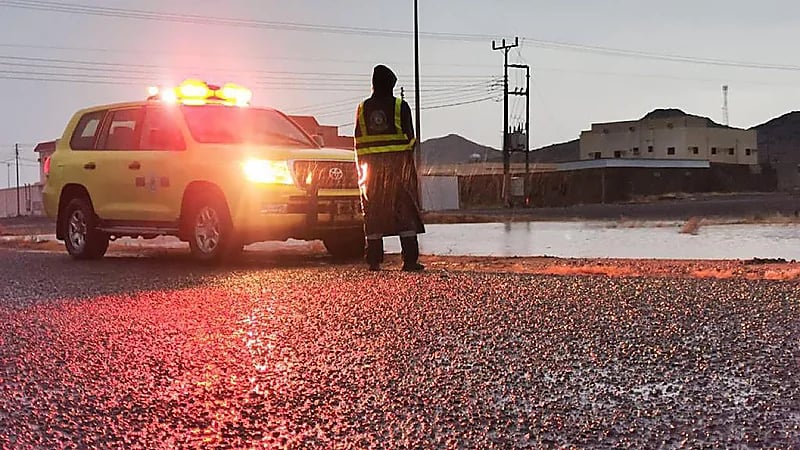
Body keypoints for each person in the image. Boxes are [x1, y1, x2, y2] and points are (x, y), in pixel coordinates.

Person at [354, 65, 425, 272]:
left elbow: (357, 141)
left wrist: (362, 173)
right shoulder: (400, 106)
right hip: (398, 171)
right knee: (405, 214)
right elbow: (411, 139)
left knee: (373, 213)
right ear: (392, 85)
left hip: (371, 172)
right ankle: (409, 261)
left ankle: (374, 260)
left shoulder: (361, 109)